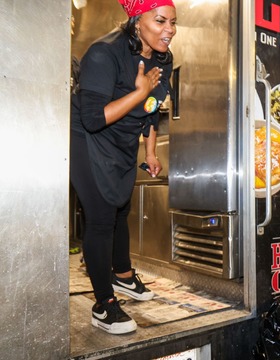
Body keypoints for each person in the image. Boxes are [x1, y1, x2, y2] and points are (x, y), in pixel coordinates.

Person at [70, 0, 176, 335]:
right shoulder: (104, 53)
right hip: (87, 137)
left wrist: (150, 151)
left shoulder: (163, 58)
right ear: (136, 19)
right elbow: (92, 117)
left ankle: (123, 275)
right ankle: (104, 304)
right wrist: (138, 91)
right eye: (160, 21)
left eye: (173, 22)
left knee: (121, 207)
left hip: (123, 139)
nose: (169, 30)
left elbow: (151, 106)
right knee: (101, 216)